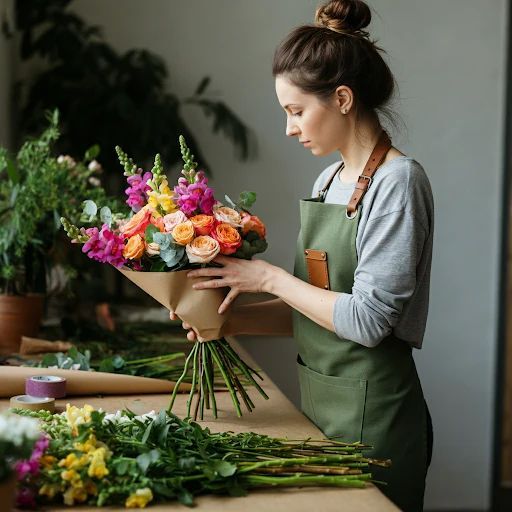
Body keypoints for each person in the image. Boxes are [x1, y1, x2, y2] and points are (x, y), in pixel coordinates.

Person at [170, 1, 434, 510]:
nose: (289, 128)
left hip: (374, 420)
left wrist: (267, 278)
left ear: (341, 98)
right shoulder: (330, 180)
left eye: (295, 111)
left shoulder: (398, 183)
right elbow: (313, 311)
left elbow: (367, 321)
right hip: (320, 406)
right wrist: (225, 320)